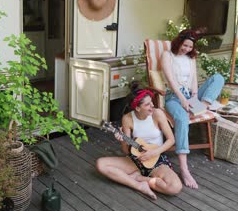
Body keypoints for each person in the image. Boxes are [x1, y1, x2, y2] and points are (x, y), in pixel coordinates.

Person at [161, 29, 224, 189]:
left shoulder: (191, 57)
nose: (187, 49)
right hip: (174, 97)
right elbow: (170, 80)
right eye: (185, 45)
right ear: (178, 41)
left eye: (190, 47)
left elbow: (194, 79)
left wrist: (194, 97)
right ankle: (184, 169)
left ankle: (202, 106)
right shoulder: (167, 55)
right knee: (182, 118)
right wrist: (183, 100)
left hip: (191, 96)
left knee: (218, 78)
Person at [96, 87, 182, 200]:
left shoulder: (157, 114)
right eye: (147, 104)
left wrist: (153, 153)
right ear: (137, 108)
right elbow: (126, 151)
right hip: (135, 160)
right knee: (101, 164)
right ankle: (139, 186)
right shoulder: (127, 119)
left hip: (156, 159)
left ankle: (139, 178)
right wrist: (122, 140)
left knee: (175, 187)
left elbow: (171, 140)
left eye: (151, 102)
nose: (152, 106)